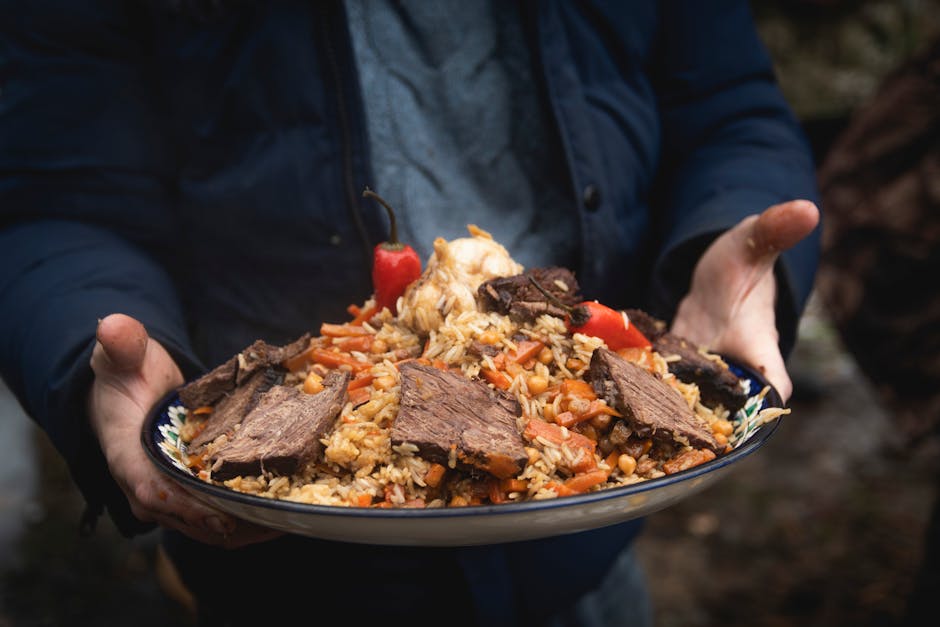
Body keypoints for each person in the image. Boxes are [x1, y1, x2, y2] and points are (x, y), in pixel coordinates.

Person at [0, 1, 821, 625]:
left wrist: (732, 238)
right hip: (278, 576)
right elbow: (47, 188)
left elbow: (726, 103)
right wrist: (87, 338)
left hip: (583, 559)